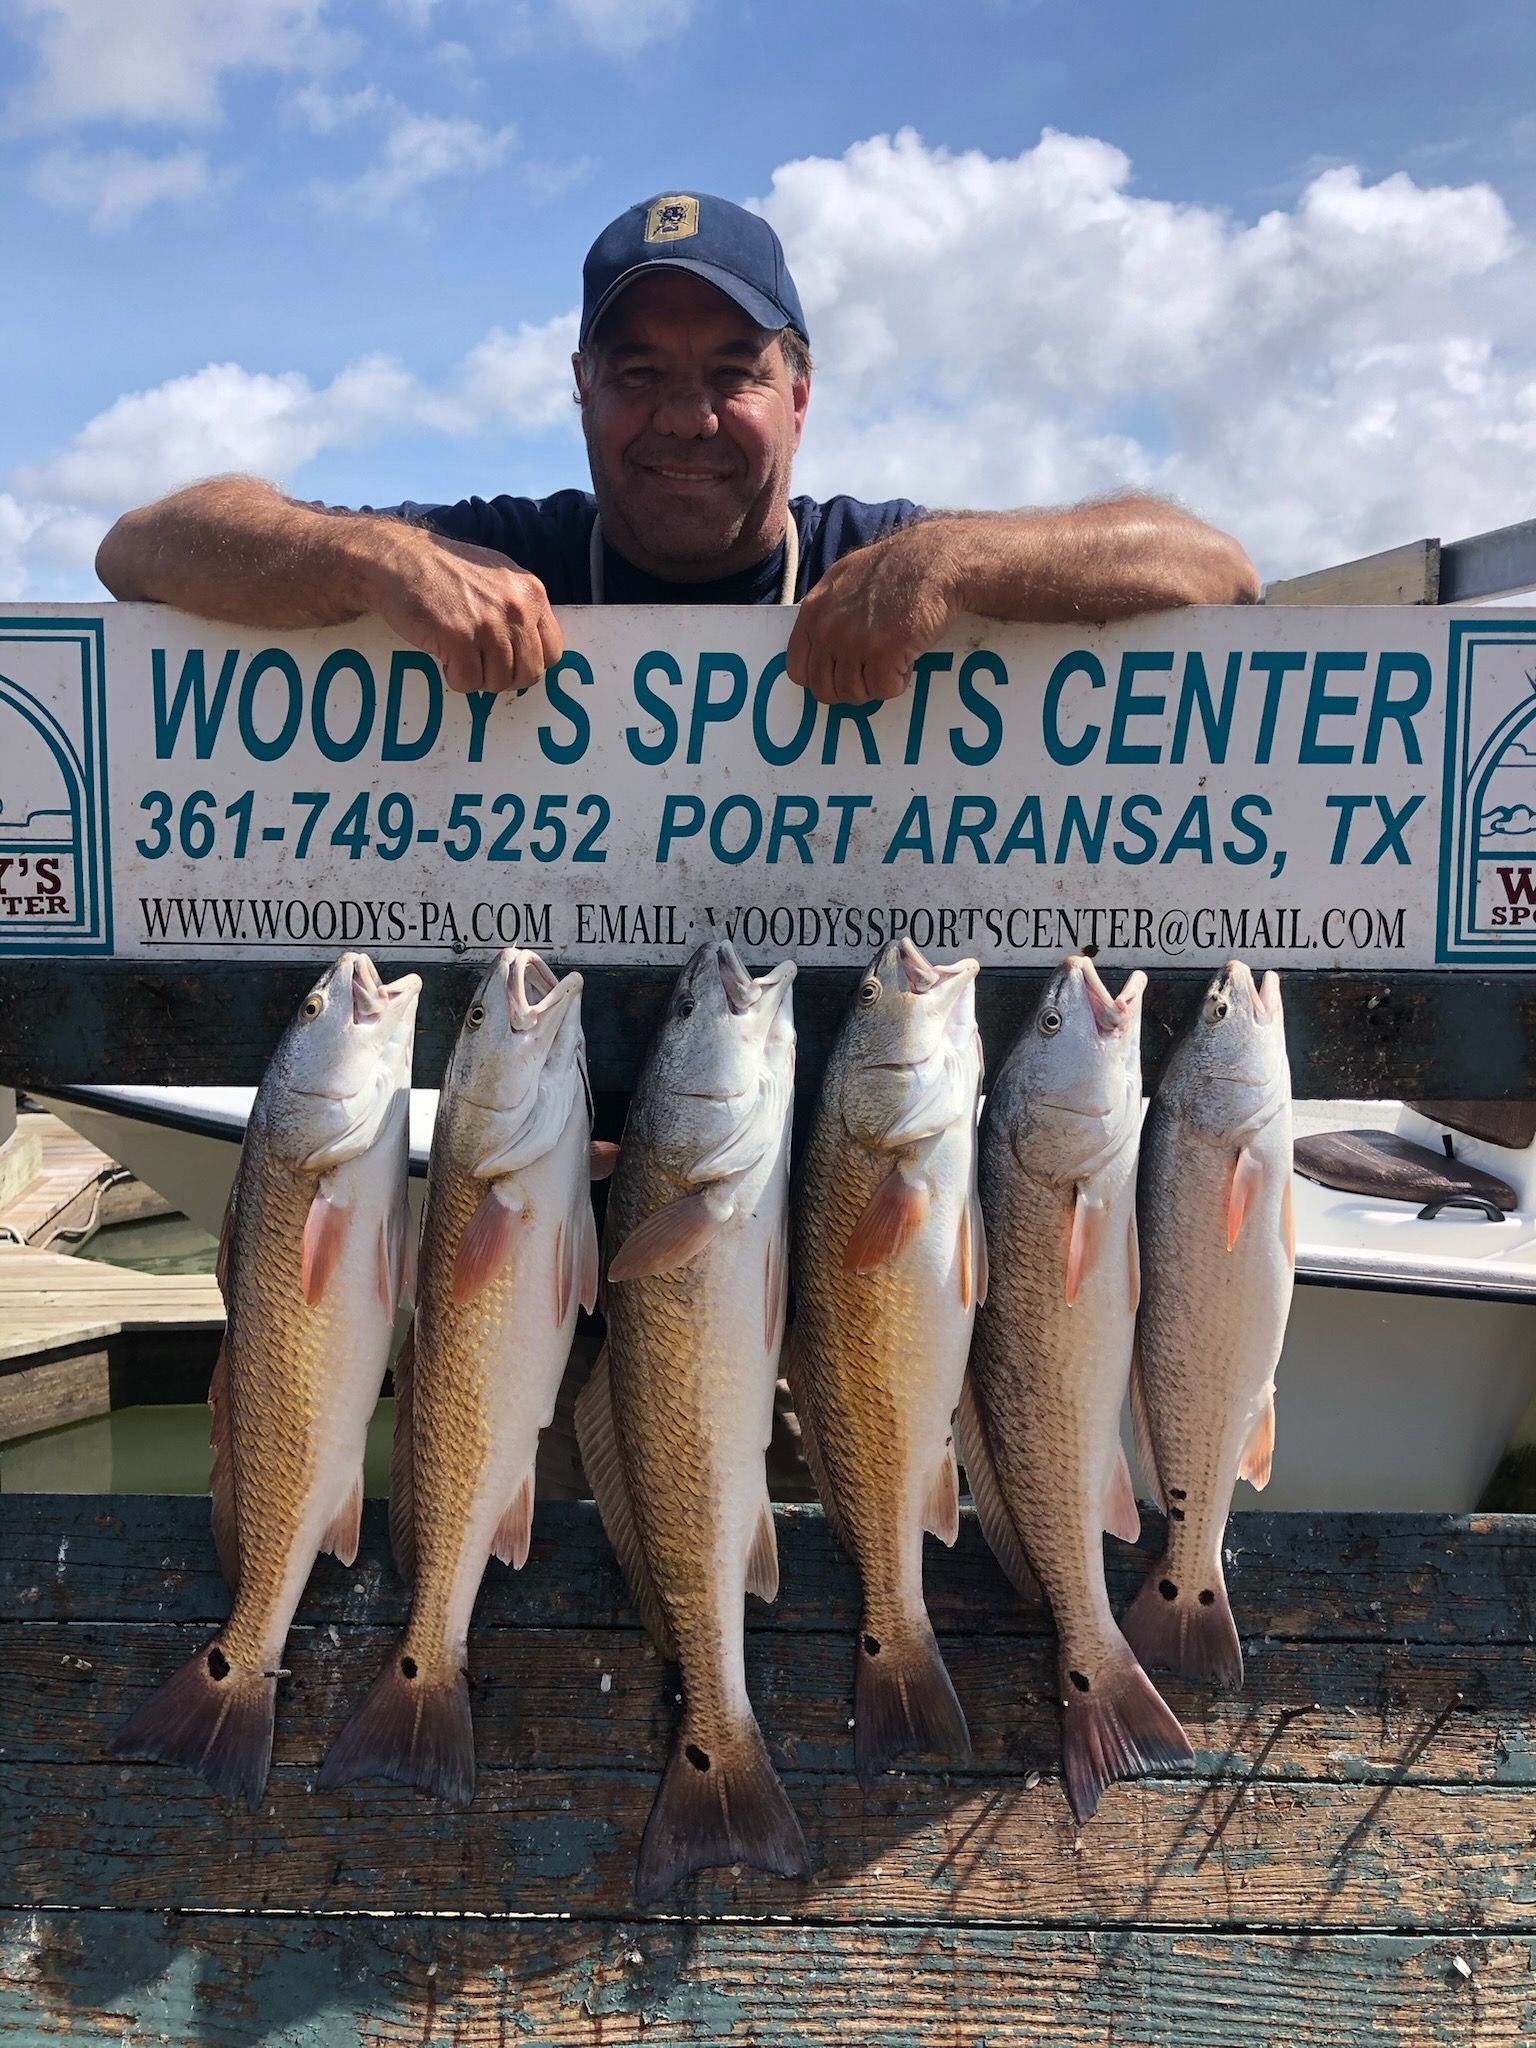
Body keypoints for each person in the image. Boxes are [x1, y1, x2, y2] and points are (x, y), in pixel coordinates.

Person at [96, 190, 1260, 707]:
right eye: (640, 373)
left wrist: (954, 564)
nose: (686, 418)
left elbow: (1214, 568)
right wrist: (371, 562)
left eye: (732, 374)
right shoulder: (503, 554)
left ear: (799, 397)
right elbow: (140, 550)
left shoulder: (879, 555)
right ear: (581, 392)